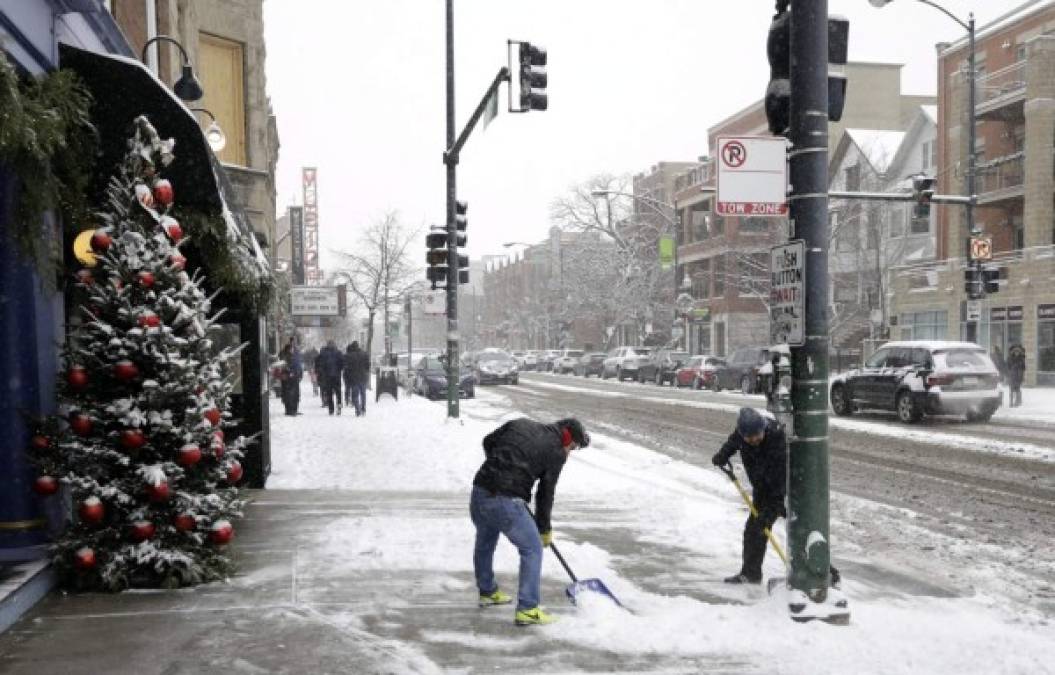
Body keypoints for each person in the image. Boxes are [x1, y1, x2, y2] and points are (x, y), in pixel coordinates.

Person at [470, 417, 590, 626]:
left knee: (485, 542)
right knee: (533, 548)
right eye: (573, 447)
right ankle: (528, 609)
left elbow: (488, 441)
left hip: (480, 491)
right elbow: (545, 494)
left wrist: (502, 469)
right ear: (568, 438)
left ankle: (487, 591)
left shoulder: (520, 424)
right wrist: (544, 529)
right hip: (505, 501)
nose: (570, 452)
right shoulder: (557, 452)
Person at [712, 407, 839, 587]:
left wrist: (772, 510)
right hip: (762, 488)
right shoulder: (743, 434)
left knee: (800, 531)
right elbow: (734, 441)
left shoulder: (776, 439)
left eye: (757, 435)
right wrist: (722, 455)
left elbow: (780, 481)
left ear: (763, 428)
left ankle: (827, 574)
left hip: (786, 490)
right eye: (749, 438)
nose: (754, 440)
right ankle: (750, 574)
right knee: (753, 530)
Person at [315, 340, 344, 415]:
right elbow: (342, 363)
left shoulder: (324, 354)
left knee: (329, 393)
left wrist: (322, 372)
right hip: (336, 376)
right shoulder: (338, 353)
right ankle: (339, 405)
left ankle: (331, 409)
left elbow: (320, 364)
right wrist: (339, 369)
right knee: (338, 392)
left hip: (327, 376)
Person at [344, 341, 371, 416]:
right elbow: (368, 366)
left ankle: (357, 409)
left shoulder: (349, 356)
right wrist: (366, 372)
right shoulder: (365, 354)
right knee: (363, 394)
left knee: (355, 395)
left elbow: (346, 368)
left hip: (354, 378)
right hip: (363, 377)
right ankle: (363, 409)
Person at [278, 339, 303, 416]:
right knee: (288, 394)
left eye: (295, 343)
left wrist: (300, 373)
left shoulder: (296, 352)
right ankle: (289, 410)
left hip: (295, 376)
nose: (294, 345)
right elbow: (283, 364)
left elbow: (299, 364)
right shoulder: (284, 353)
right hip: (287, 376)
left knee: (295, 394)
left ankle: (294, 409)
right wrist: (289, 371)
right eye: (293, 343)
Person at [1007, 344, 1026, 408]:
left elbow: (1023, 368)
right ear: (1013, 352)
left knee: (1017, 389)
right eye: (1015, 352)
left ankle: (1017, 402)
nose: (1016, 353)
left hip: (1018, 376)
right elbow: (1008, 367)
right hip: (1012, 376)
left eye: (1017, 352)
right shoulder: (1010, 358)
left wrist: (1022, 376)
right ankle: (1011, 402)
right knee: (1011, 390)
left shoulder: (1021, 359)